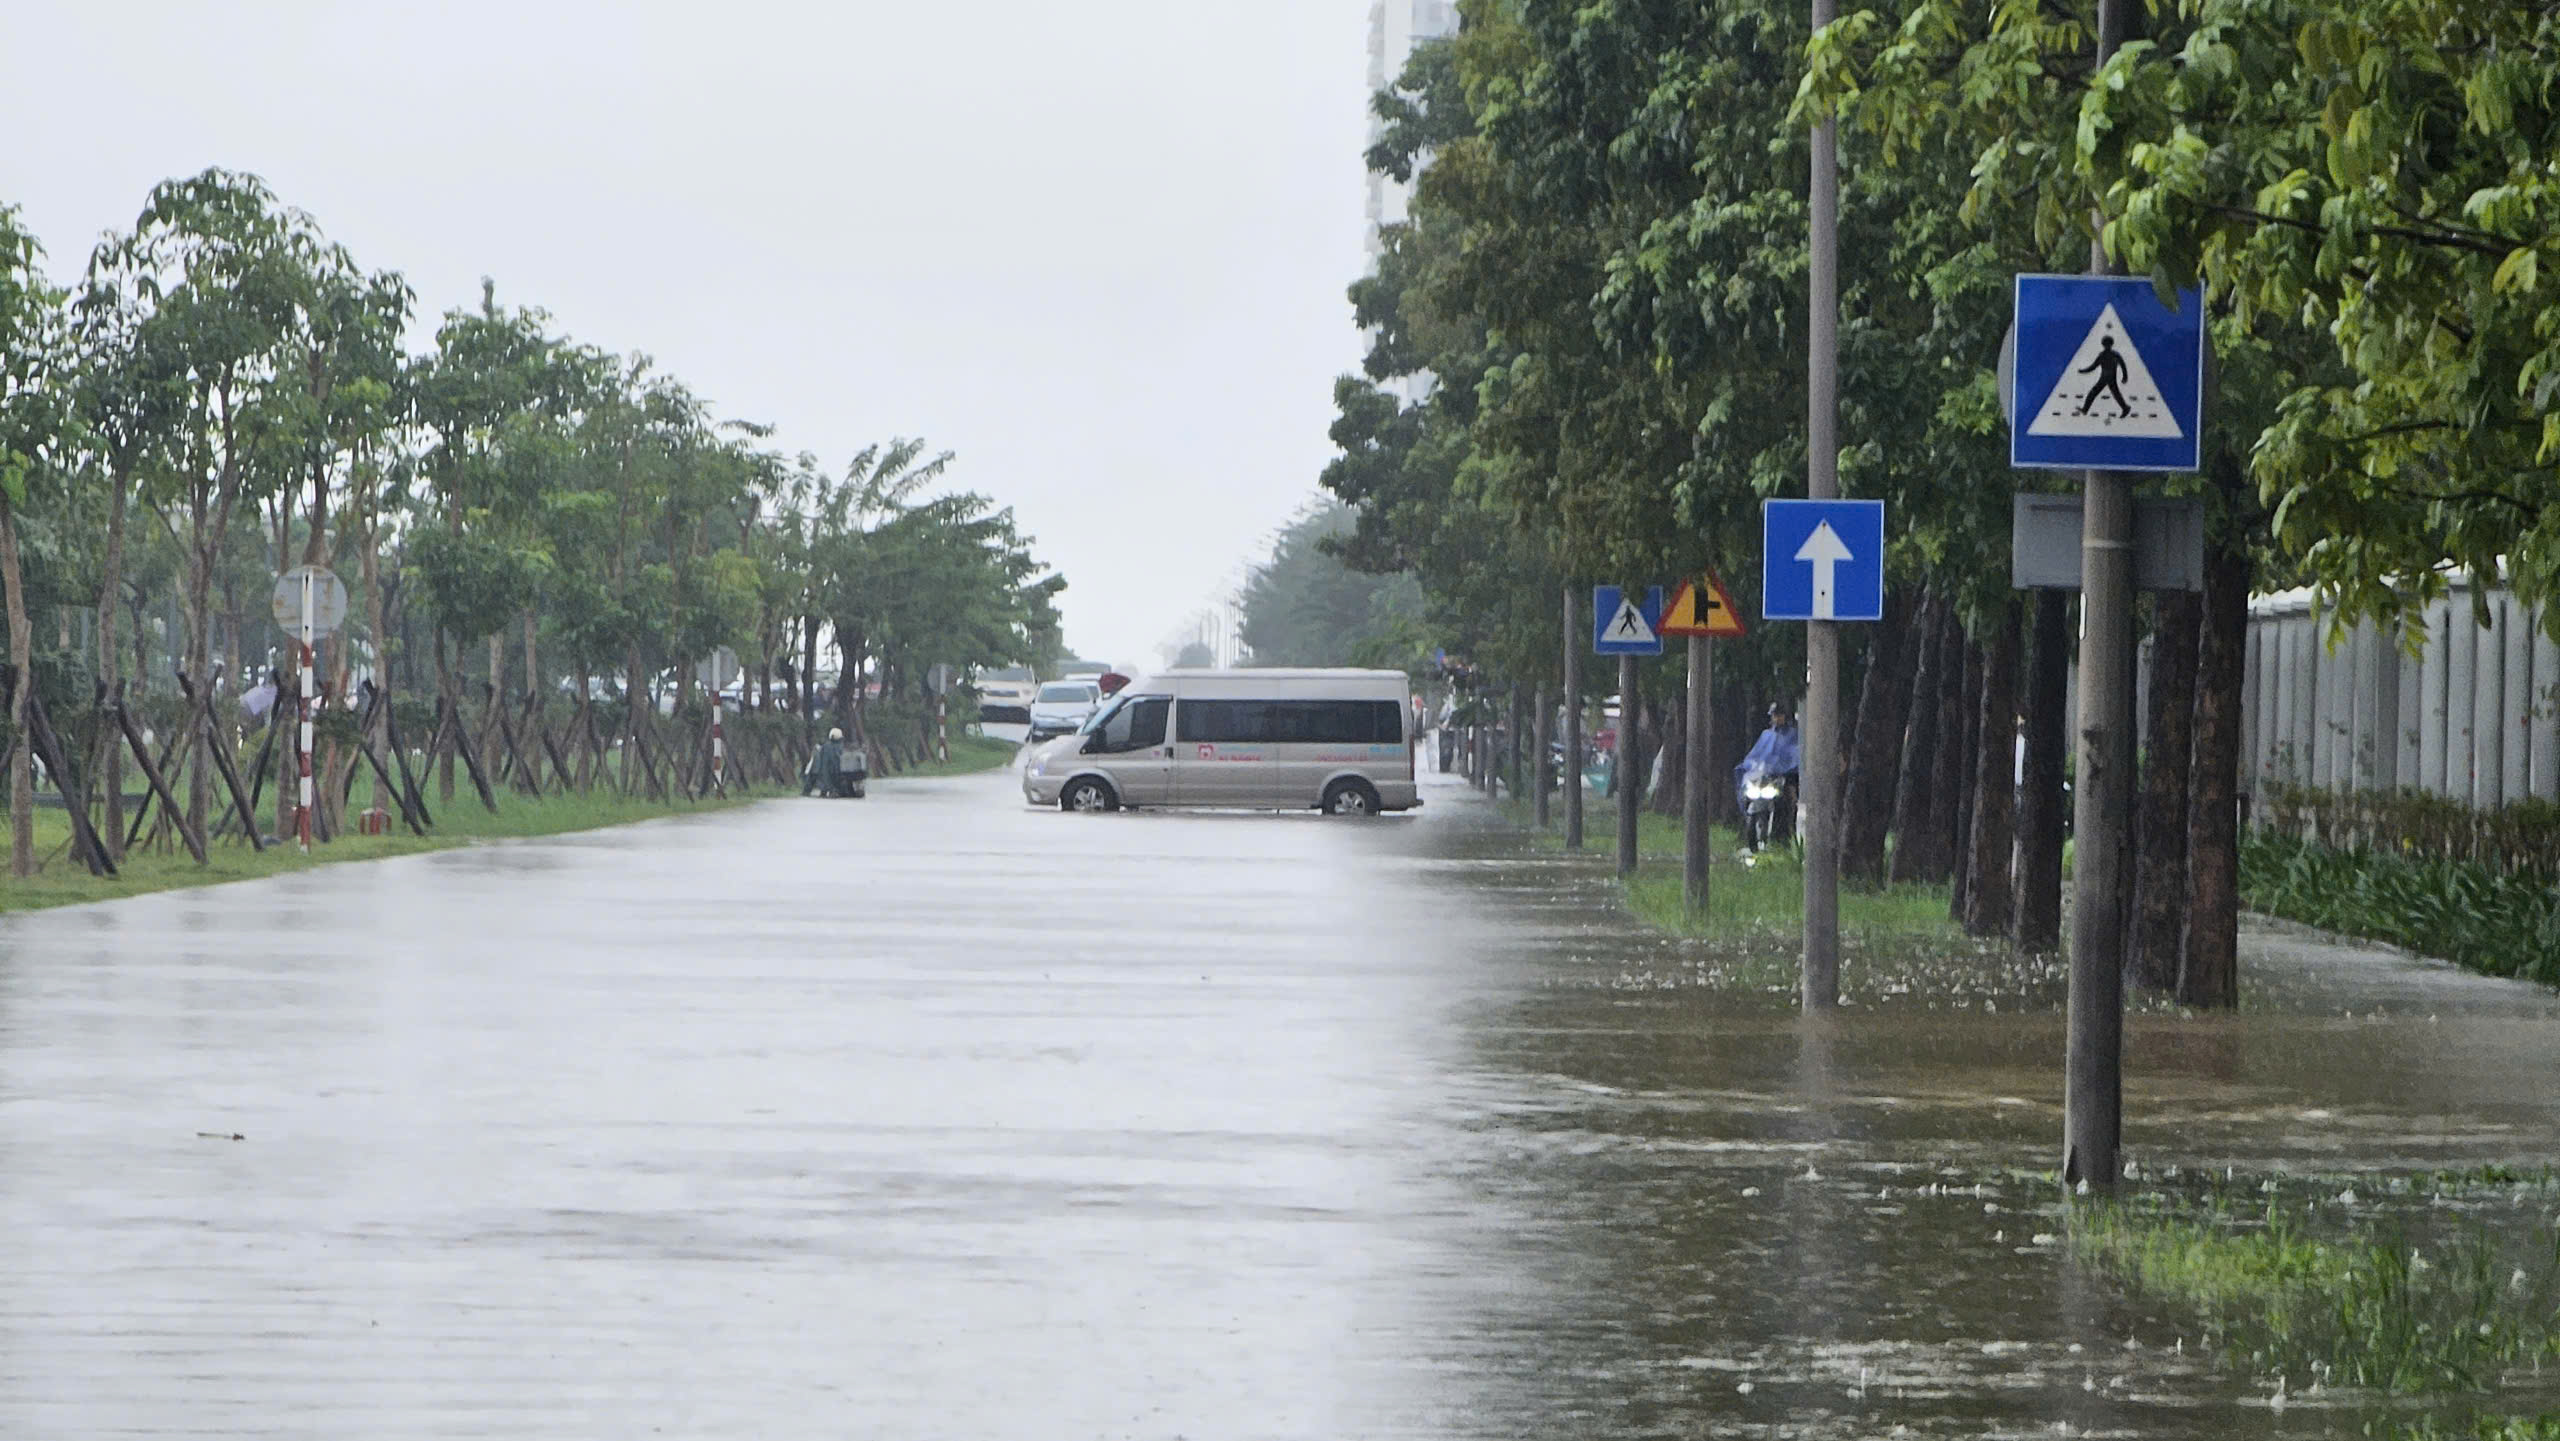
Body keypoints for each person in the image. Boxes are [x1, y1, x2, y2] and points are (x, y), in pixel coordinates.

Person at [1733, 701, 1802, 838]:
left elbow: (1794, 755)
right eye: (1774, 716)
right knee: (1748, 793)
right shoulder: (1766, 735)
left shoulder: (1792, 735)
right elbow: (1756, 754)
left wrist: (1787, 766)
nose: (1776, 719)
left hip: (1785, 776)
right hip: (1764, 777)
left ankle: (1786, 834)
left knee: (1789, 798)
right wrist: (1749, 766)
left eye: (1779, 715)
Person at [803, 727, 864, 798]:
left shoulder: (825, 747)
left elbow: (820, 767)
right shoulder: (844, 747)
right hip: (844, 780)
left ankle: (833, 791)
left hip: (829, 779)